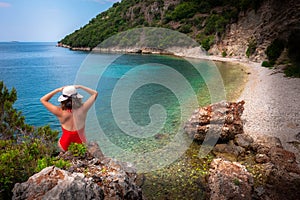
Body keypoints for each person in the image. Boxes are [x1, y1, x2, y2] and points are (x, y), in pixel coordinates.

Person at [40, 85, 98, 151]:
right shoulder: (83, 109)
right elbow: (95, 93)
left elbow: (43, 100)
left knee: (61, 144)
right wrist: (80, 87)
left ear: (63, 100)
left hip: (65, 143)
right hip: (81, 142)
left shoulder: (60, 112)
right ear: (77, 98)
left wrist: (58, 90)